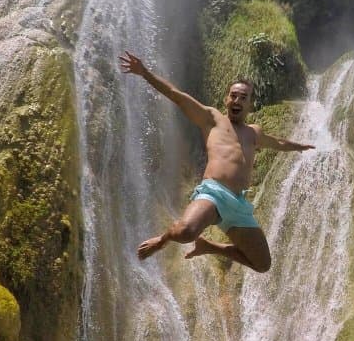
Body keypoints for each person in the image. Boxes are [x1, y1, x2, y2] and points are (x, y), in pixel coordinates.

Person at [119, 51, 314, 273]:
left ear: (251, 103)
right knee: (185, 232)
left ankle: (209, 246)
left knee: (263, 264)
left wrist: (299, 146)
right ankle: (161, 241)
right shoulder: (211, 119)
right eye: (233, 95)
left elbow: (277, 142)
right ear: (226, 99)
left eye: (243, 97)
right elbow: (176, 95)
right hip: (213, 193)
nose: (237, 100)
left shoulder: (254, 133)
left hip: (239, 205)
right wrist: (144, 73)